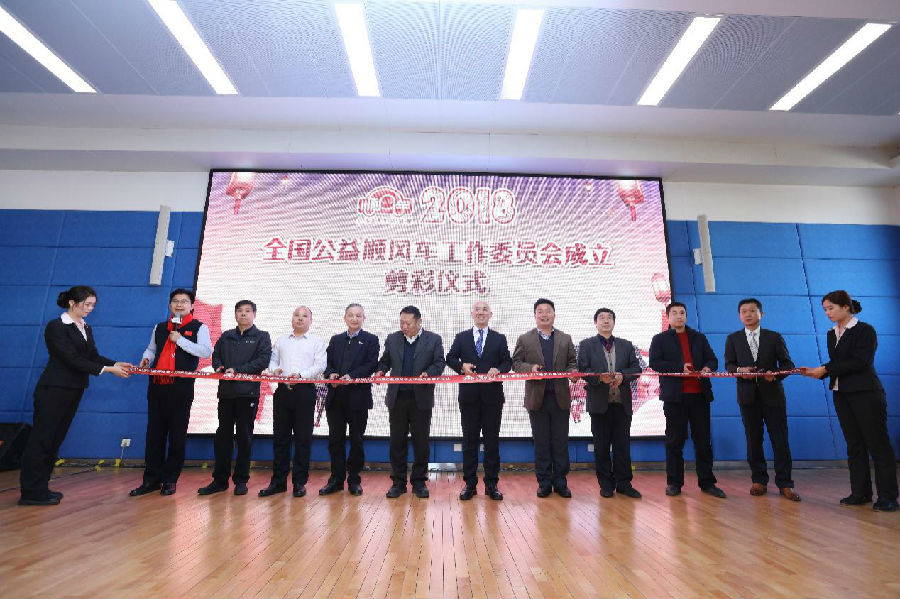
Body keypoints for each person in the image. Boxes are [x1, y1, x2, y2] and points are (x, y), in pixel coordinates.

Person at [18, 286, 131, 506]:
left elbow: (92, 356)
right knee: (42, 439)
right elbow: (71, 359)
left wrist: (116, 363)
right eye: (87, 304)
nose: (90, 308)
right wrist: (109, 370)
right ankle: (30, 491)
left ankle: (41, 488)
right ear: (72, 302)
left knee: (55, 439)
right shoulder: (56, 326)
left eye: (93, 305)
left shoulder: (85, 327)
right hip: (54, 389)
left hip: (73, 389)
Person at [802, 290, 898, 512]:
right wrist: (818, 372)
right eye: (824, 309)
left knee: (878, 444)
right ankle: (860, 493)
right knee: (854, 444)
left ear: (846, 307)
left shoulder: (864, 330)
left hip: (866, 393)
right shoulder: (831, 333)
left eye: (831, 308)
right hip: (841, 393)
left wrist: (825, 369)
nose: (827, 313)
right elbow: (839, 363)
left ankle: (888, 496)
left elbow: (860, 362)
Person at [130, 288, 212, 497]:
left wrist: (180, 340)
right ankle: (151, 480)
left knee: (177, 436)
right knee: (154, 435)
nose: (179, 304)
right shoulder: (160, 327)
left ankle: (170, 480)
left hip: (181, 387)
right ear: (169, 305)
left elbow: (205, 351)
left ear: (192, 306)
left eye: (184, 301)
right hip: (157, 385)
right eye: (175, 301)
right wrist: (146, 358)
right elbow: (151, 349)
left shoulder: (199, 327)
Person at [724, 298, 800, 501]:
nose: (748, 314)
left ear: (761, 314)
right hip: (747, 398)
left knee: (780, 440)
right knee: (753, 440)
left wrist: (775, 375)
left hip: (773, 396)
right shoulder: (733, 339)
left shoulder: (774, 337)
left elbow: (788, 364)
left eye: (752, 310)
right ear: (739, 316)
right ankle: (758, 480)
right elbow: (729, 365)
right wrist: (740, 370)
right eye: (744, 311)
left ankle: (785, 483)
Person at [649, 302, 726, 498]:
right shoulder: (660, 339)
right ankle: (674, 483)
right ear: (668, 317)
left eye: (682, 312)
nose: (679, 316)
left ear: (686, 315)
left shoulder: (699, 337)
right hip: (675, 398)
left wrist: (708, 368)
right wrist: (679, 367)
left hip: (699, 396)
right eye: (674, 313)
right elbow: (655, 363)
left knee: (703, 442)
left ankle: (707, 483)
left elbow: (712, 359)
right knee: (674, 442)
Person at [198, 300, 271, 497]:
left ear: (254, 314)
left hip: (248, 394)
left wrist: (237, 370)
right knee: (223, 436)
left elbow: (262, 361)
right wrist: (219, 366)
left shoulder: (262, 336)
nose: (243, 314)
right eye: (239, 311)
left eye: (247, 311)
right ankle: (219, 480)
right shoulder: (226, 335)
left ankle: (241, 480)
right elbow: (216, 356)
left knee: (244, 437)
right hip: (226, 393)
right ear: (235, 314)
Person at [375, 306, 445, 499]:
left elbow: (440, 363)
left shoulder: (434, 339)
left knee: (421, 442)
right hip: (397, 398)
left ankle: (419, 482)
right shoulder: (393, 339)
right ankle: (398, 483)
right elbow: (385, 361)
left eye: (408, 323)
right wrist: (380, 371)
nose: (404, 326)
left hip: (420, 398)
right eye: (401, 323)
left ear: (419, 322)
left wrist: (428, 373)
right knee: (397, 442)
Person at [446, 301, 512, 501]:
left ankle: (492, 485)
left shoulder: (499, 338)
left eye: (485, 310)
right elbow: (450, 357)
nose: (481, 312)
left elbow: (507, 362)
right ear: (472, 314)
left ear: (490, 314)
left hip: (492, 398)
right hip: (469, 398)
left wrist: (499, 369)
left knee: (492, 442)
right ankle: (470, 484)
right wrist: (461, 366)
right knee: (469, 442)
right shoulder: (462, 337)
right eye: (477, 309)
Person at [258, 306, 326, 499]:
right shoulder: (281, 340)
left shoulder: (316, 342)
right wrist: (275, 370)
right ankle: (278, 482)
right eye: (296, 315)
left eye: (304, 316)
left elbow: (320, 365)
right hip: (282, 392)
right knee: (280, 438)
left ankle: (299, 483)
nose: (300, 318)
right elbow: (272, 361)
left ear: (311, 321)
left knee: (303, 439)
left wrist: (302, 376)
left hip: (305, 392)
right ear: (292, 318)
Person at [512, 298, 577, 498]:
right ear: (535, 315)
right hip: (536, 399)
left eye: (548, 311)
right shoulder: (525, 339)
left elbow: (572, 363)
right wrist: (530, 368)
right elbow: (516, 363)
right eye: (540, 311)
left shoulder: (565, 338)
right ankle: (544, 483)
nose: (544, 315)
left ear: (554, 315)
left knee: (560, 442)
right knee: (541, 443)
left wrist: (573, 372)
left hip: (560, 398)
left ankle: (561, 482)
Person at [577, 308, 642, 499]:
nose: (606, 321)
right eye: (602, 318)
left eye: (609, 318)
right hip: (599, 405)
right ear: (595, 323)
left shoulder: (626, 345)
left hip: (622, 404)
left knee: (623, 446)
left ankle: (624, 484)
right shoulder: (586, 345)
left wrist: (623, 376)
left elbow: (636, 368)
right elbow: (583, 370)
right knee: (601, 446)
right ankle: (606, 485)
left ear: (614, 322)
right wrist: (599, 378)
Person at [319, 303, 379, 496]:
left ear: (364, 318)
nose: (354, 319)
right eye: (351, 315)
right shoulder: (336, 339)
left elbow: (371, 364)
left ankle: (354, 480)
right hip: (335, 397)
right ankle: (336, 480)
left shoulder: (371, 339)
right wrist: (331, 375)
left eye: (358, 315)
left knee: (356, 440)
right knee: (335, 440)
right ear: (345, 318)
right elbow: (327, 363)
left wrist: (352, 376)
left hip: (358, 398)